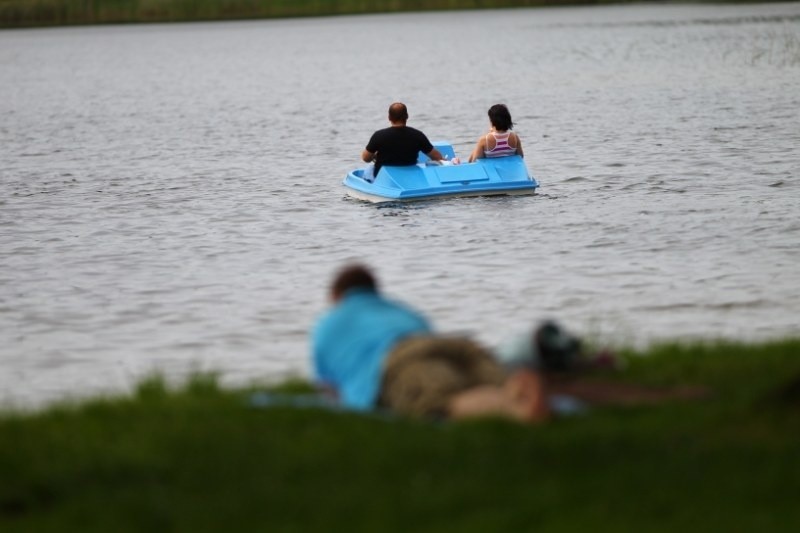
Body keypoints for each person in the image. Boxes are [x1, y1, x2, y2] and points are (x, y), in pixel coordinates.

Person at [311, 264, 550, 422]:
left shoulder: (328, 324)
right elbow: (426, 334)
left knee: (444, 402)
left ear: (336, 296)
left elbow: (331, 390)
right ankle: (518, 386)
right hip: (447, 345)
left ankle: (514, 410)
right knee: (477, 380)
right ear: (374, 291)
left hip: (399, 359)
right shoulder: (399, 310)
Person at [361, 102, 444, 179]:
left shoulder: (378, 136)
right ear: (407, 116)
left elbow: (365, 158)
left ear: (389, 117)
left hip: (384, 178)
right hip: (409, 176)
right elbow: (437, 157)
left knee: (370, 168)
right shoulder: (418, 135)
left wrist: (375, 156)